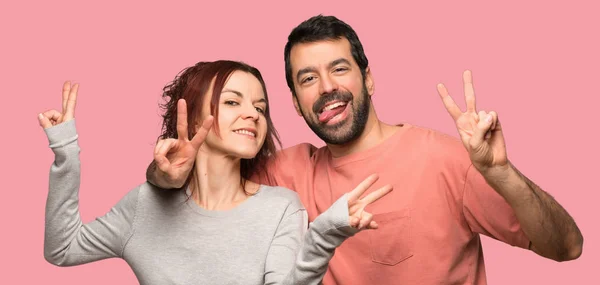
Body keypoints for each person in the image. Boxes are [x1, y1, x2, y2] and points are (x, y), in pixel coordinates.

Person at [146, 16, 584, 284]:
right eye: (308, 79)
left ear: (368, 79)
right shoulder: (286, 172)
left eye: (339, 69)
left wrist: (501, 171)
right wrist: (163, 176)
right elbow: (194, 205)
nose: (328, 88)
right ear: (297, 104)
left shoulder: (443, 159)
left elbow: (566, 247)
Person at [38, 60, 393, 285]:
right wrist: (66, 151)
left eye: (260, 107)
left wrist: (323, 236)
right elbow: (62, 249)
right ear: (194, 117)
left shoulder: (281, 208)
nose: (253, 114)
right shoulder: (144, 206)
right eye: (232, 101)